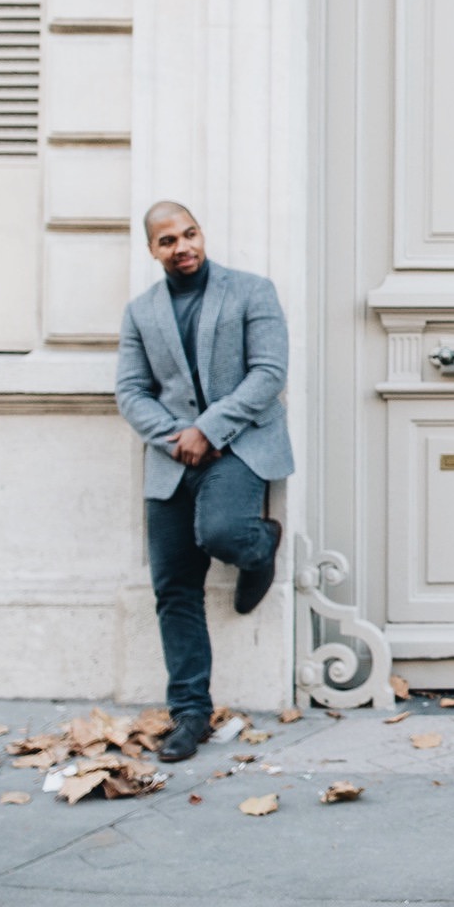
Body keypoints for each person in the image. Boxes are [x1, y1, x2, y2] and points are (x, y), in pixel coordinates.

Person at [114, 201, 294, 763]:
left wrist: (209, 429)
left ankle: (259, 544)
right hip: (172, 458)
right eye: (168, 241)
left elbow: (269, 373)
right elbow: (130, 392)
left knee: (221, 534)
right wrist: (177, 437)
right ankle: (190, 713)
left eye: (189, 234)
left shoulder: (252, 291)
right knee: (173, 588)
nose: (183, 246)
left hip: (240, 444)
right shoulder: (141, 311)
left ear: (201, 234)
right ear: (152, 250)